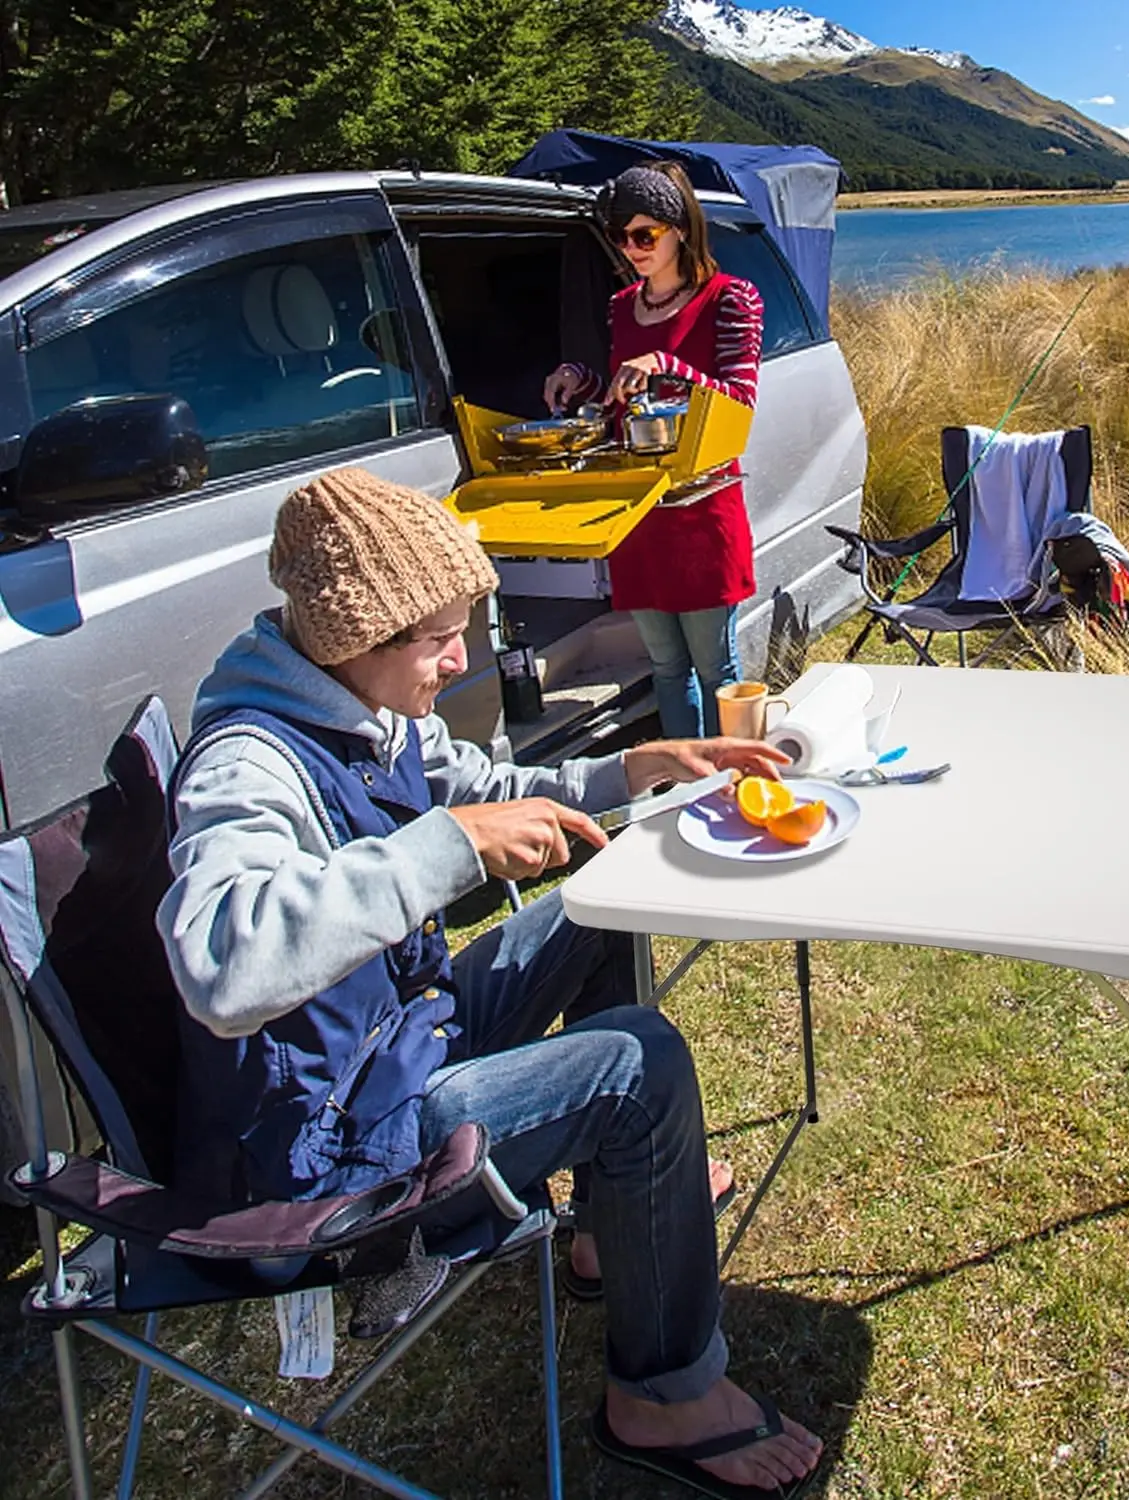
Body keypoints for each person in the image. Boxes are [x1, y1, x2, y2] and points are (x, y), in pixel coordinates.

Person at [156, 467, 821, 1495]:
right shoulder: (249, 762)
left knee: (597, 898)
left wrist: (635, 769)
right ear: (352, 641)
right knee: (634, 1066)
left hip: (404, 1042)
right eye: (438, 639)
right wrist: (443, 848)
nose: (461, 658)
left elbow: (480, 788)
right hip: (338, 1152)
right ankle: (664, 1396)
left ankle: (610, 1228)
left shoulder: (363, 710)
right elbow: (220, 964)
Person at [543, 161, 765, 740]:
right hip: (640, 509)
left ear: (681, 230)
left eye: (645, 235)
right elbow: (626, 396)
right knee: (665, 667)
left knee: (717, 668)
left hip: (703, 506)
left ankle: (739, 784)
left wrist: (667, 365)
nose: (631, 248)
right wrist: (582, 379)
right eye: (622, 237)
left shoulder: (731, 298)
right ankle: (685, 783)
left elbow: (739, 402)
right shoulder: (622, 306)